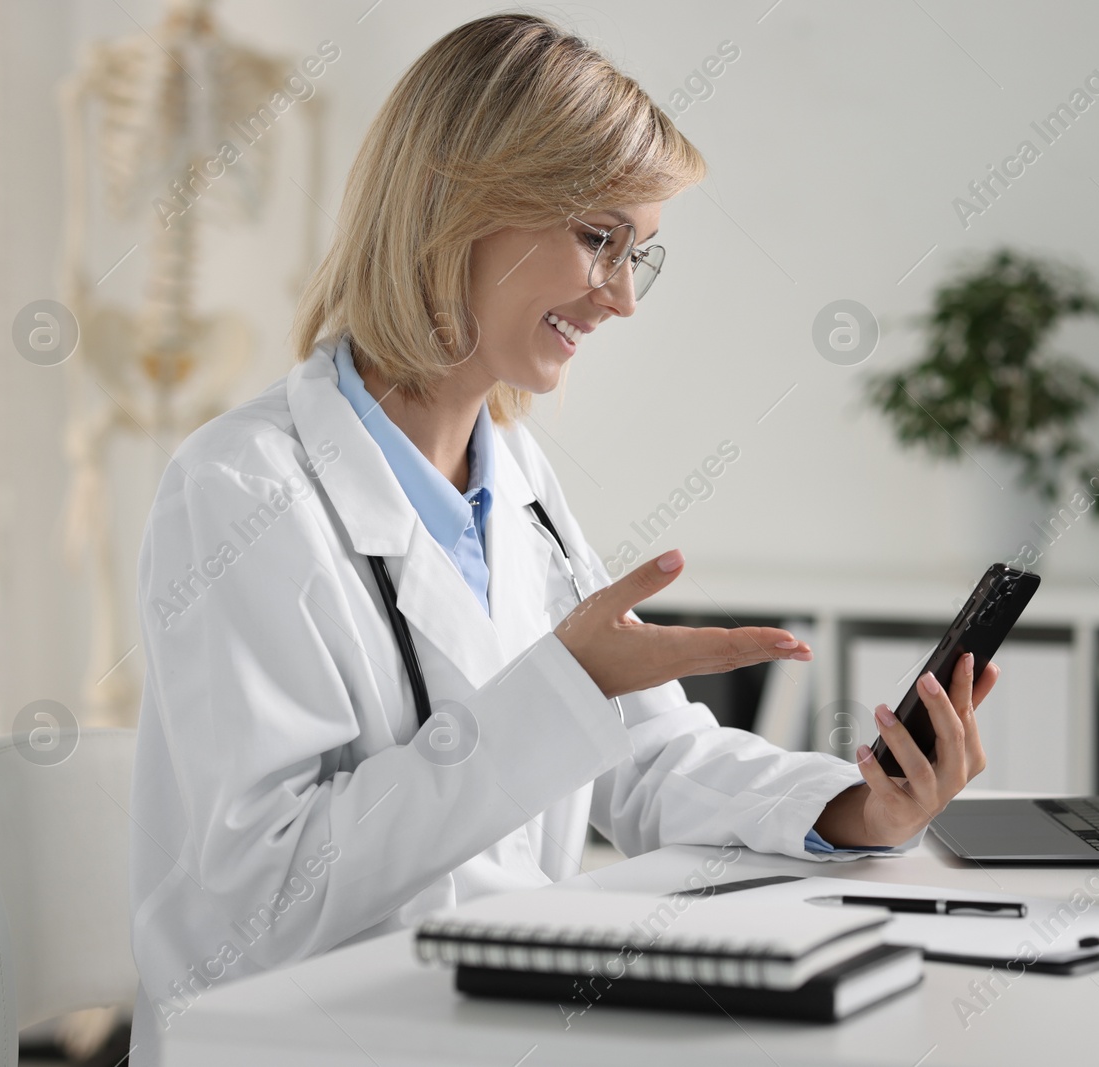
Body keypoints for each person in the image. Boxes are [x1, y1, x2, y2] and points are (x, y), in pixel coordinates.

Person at [126, 12, 999, 1058]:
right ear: (459, 204)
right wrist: (564, 690)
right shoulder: (241, 491)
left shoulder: (517, 483)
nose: (623, 297)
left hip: (481, 1027)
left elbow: (645, 760)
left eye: (641, 254)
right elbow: (255, 899)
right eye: (599, 239)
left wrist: (852, 807)